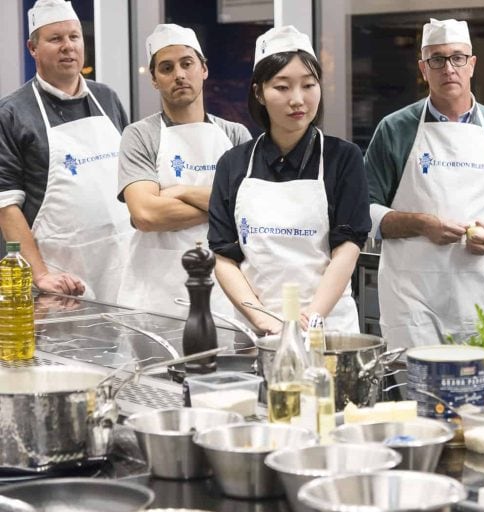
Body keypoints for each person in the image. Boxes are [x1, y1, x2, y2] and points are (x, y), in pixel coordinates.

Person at [364, 18, 484, 349]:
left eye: (457, 57)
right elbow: (364, 210)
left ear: (472, 65)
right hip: (409, 296)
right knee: (416, 394)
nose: (448, 68)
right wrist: (421, 224)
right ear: (423, 69)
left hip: (470, 296)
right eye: (437, 59)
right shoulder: (395, 129)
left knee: (467, 396)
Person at [208, 26, 371, 334]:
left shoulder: (343, 158)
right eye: (282, 87)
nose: (298, 99)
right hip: (256, 331)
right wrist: (262, 320)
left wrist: (313, 316)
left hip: (327, 329)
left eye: (309, 85)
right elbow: (224, 256)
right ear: (259, 92)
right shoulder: (234, 164)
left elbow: (348, 247)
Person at [117, 24, 251, 316]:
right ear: (154, 79)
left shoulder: (236, 135)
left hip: (227, 291)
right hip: (158, 294)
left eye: (187, 64)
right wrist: (224, 206)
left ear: (203, 69)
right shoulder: (140, 135)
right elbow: (146, 214)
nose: (179, 74)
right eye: (166, 68)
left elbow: (251, 211)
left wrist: (181, 192)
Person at [0, 0, 130, 301]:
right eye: (55, 39)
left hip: (122, 267)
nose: (68, 47)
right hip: (61, 279)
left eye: (74, 37)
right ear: (33, 49)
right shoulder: (11, 113)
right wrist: (41, 274)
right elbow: (6, 206)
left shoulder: (106, 98)